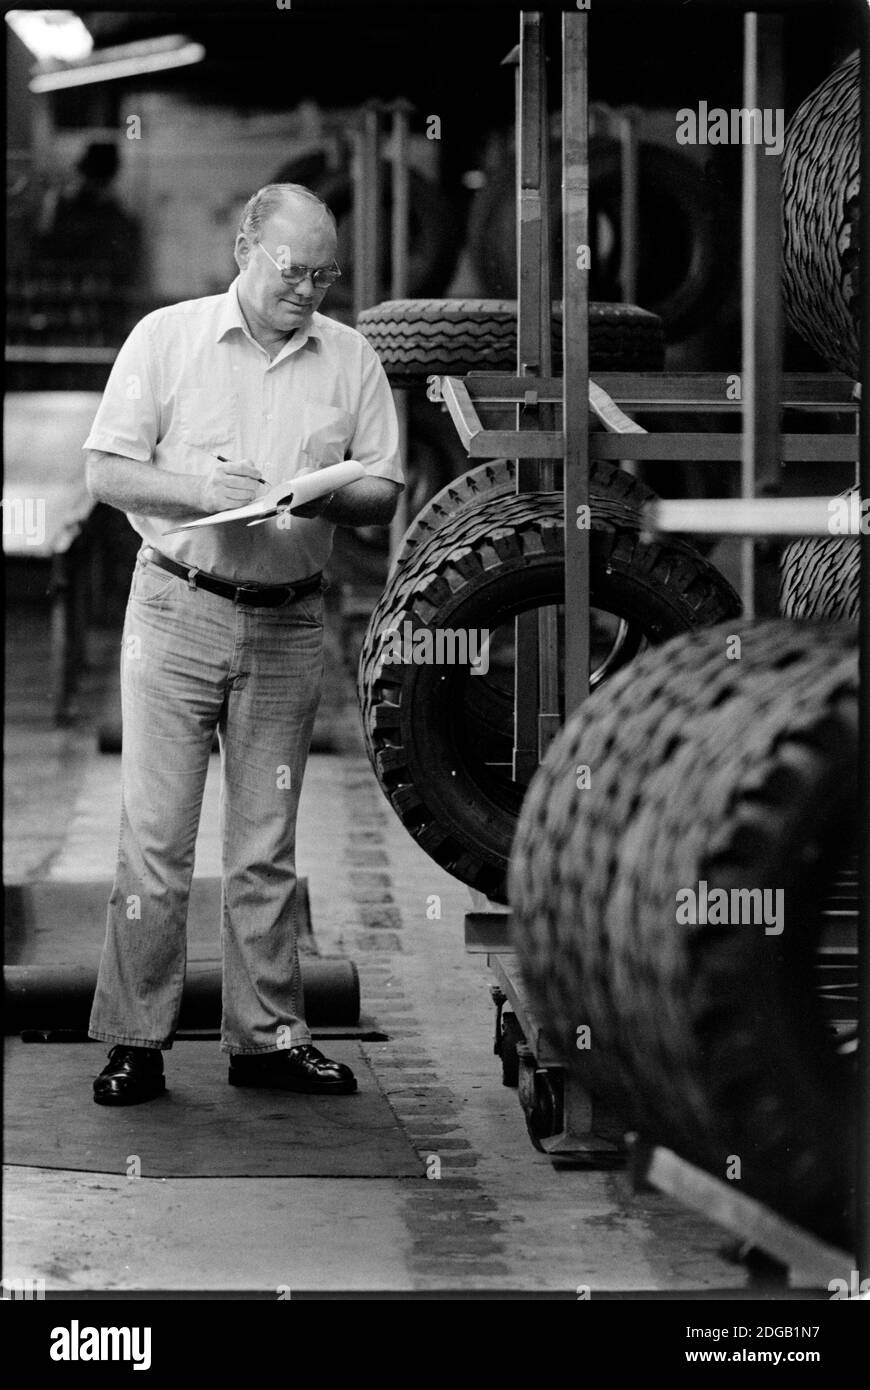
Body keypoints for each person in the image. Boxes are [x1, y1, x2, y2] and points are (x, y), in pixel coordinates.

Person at [83, 183, 403, 1104]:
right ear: (244, 249)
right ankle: (136, 1041)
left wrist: (323, 492)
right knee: (155, 840)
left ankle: (265, 1038)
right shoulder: (167, 339)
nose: (309, 289)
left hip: (290, 623)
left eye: (324, 274)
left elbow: (382, 487)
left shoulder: (350, 358)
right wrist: (200, 489)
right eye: (292, 270)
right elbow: (106, 469)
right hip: (177, 611)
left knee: (265, 843)